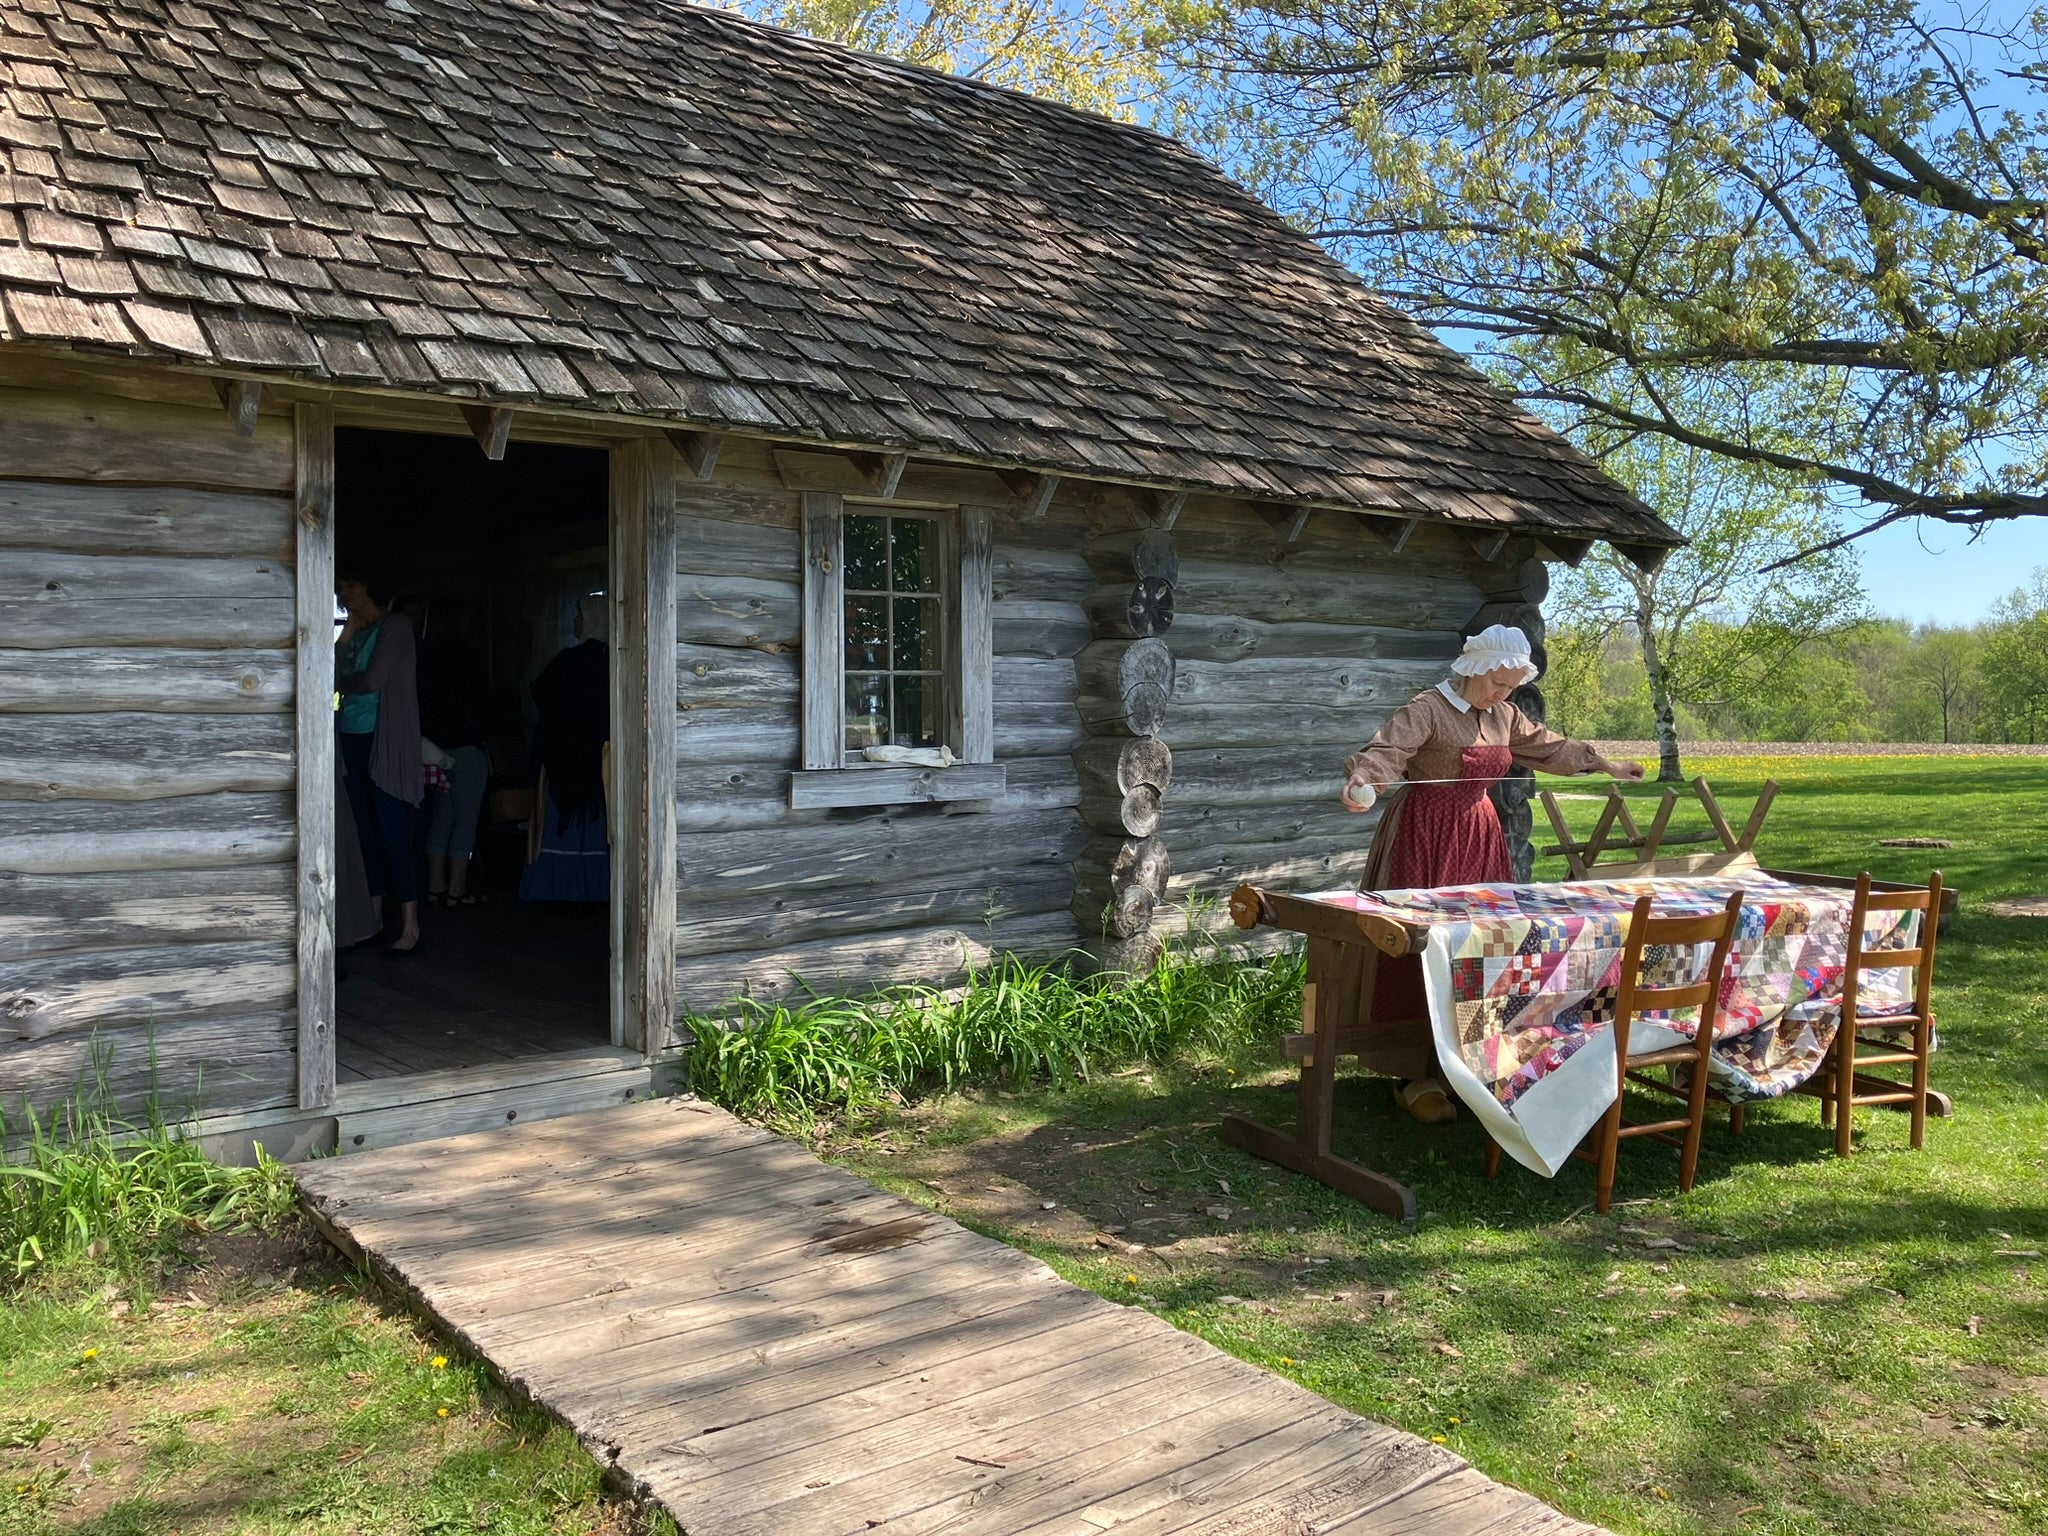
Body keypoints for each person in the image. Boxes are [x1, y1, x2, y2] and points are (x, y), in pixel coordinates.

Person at [1340, 624, 1645, 1121]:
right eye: (1497, 684)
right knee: (1419, 946)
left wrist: (1607, 765)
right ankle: (1413, 1073)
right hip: (1426, 835)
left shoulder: (1502, 714)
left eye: (1510, 686)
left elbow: (1547, 746)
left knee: (1483, 948)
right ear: (1474, 670)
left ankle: (1470, 1066)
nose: (1504, 694)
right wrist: (1363, 778)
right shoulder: (1429, 708)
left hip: (1479, 835)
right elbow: (1387, 751)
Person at [336, 566, 425, 955]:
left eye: (350, 583)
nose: (344, 592)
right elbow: (330, 676)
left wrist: (345, 683)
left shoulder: (396, 626)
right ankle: (371, 920)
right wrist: (345, 640)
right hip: (351, 739)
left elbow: (372, 680)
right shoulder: (354, 631)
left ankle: (410, 925)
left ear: (368, 585)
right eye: (340, 586)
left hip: (382, 741)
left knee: (392, 834)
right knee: (362, 832)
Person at [520, 592, 611, 903]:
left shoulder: (567, 663)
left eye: (580, 615)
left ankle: (560, 893)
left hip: (565, 760)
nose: (575, 621)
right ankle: (597, 892)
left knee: (569, 825)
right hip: (601, 764)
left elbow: (544, 698)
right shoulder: (613, 663)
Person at [415, 595, 493, 906]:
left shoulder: (424, 656)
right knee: (466, 818)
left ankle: (435, 886)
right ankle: (457, 889)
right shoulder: (471, 656)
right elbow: (484, 704)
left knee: (441, 817)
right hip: (467, 747)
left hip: (433, 749)